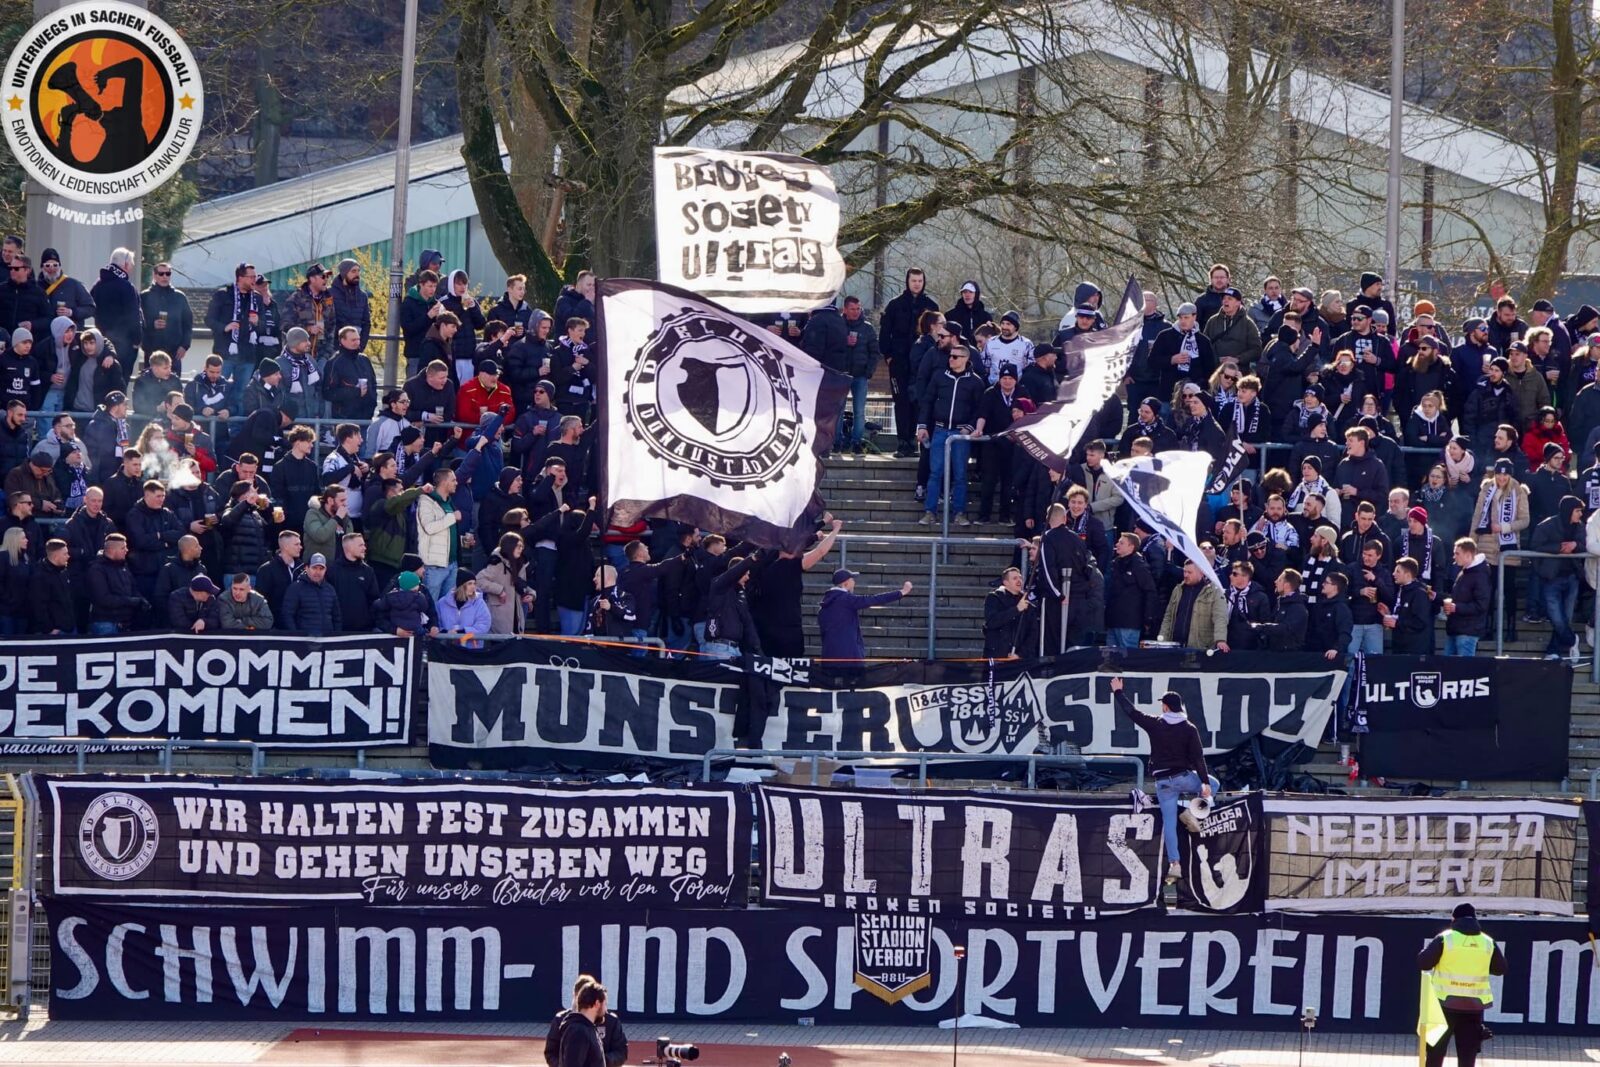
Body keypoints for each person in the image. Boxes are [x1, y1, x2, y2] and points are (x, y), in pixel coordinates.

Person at [1109, 675, 1218, 883]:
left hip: (1163, 783)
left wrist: (1118, 692)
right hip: (1183, 777)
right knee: (1214, 784)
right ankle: (1194, 813)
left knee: (1169, 823)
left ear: (1166, 707)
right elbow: (1198, 758)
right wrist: (1204, 783)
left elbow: (1132, 713)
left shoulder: (1156, 724)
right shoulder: (1189, 728)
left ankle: (1175, 864)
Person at [1418, 902, 1506, 1067]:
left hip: (1444, 1005)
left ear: (1454, 919)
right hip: (1474, 1007)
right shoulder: (1488, 942)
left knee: (1436, 1053)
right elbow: (1500, 969)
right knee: (1467, 1057)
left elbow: (1424, 963)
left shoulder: (1445, 938)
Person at [917, 342, 984, 525]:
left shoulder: (975, 382)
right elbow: (928, 401)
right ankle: (930, 512)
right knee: (935, 472)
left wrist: (969, 427)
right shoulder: (939, 376)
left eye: (955, 357)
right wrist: (922, 426)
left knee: (960, 474)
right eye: (950, 356)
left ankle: (959, 513)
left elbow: (979, 409)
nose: (951, 359)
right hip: (939, 430)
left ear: (965, 359)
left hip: (960, 433)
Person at [1529, 494, 1586, 662]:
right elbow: (1535, 546)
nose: (1580, 514)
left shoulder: (1580, 527)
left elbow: (1585, 545)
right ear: (1569, 511)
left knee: (1565, 617)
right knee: (1556, 616)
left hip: (1572, 577)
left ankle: (1553, 650)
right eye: (1577, 511)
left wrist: (1575, 545)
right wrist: (1558, 548)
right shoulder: (1547, 525)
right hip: (1551, 578)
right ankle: (1572, 640)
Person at [816, 569, 912, 660]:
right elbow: (874, 599)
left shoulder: (824, 605)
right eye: (852, 580)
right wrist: (901, 592)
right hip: (849, 658)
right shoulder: (847, 600)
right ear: (846, 583)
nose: (854, 582)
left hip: (828, 657)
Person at [89, 248, 141, 375]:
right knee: (121, 379)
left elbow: (90, 307)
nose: (132, 266)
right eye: (131, 263)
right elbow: (134, 316)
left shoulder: (97, 285)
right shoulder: (127, 287)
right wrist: (137, 340)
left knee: (103, 378)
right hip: (125, 343)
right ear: (126, 264)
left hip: (102, 341)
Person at [1159, 558, 1229, 651]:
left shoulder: (1214, 592)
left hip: (1200, 649)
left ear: (1201, 573)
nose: (1185, 575)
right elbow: (1168, 617)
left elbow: (1220, 617)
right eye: (1184, 571)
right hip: (1175, 647)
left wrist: (1220, 640)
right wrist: (1162, 640)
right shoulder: (1178, 590)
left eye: (1189, 572)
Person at [1104, 532, 1158, 649]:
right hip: (1113, 621)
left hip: (1129, 623)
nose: (1117, 544)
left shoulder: (1139, 565)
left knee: (1128, 656)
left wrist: (1148, 617)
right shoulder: (1115, 564)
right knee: (1109, 656)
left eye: (1121, 543)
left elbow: (1150, 591)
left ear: (1131, 547)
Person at [86, 534, 146, 635]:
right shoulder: (96, 570)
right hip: (105, 623)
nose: (126, 550)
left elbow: (133, 588)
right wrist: (131, 601)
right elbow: (103, 599)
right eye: (123, 548)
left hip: (125, 622)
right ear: (112, 550)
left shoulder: (123, 567)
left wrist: (141, 600)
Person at [1443, 538, 1491, 656]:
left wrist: (1456, 607)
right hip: (1456, 629)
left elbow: (1481, 605)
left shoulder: (1480, 576)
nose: (1454, 557)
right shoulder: (1465, 572)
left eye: (1457, 553)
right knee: (1448, 665)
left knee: (1464, 667)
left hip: (1468, 631)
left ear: (1468, 555)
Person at [141, 261, 192, 370]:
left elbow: (188, 324)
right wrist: (152, 324)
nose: (165, 276)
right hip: (152, 351)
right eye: (161, 274)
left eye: (168, 274)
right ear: (155, 275)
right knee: (151, 380)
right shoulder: (145, 296)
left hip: (174, 352)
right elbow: (138, 322)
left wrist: (185, 346)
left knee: (173, 380)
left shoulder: (179, 297)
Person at [552, 980, 611, 1067]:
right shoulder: (579, 1031)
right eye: (605, 1004)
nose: (606, 1010)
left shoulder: (586, 1029)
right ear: (597, 1003)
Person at [982, 566, 1036, 658]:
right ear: (1005, 582)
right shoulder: (994, 598)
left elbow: (1032, 634)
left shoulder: (1027, 603)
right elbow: (992, 621)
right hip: (996, 656)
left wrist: (1019, 654)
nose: (1019, 581)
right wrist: (1016, 609)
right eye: (1015, 578)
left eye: (1020, 578)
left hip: (1018, 658)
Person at [281, 553, 341, 635]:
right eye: (314, 568)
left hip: (327, 640)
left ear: (325, 570)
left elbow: (337, 618)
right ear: (307, 568)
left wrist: (335, 636)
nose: (318, 572)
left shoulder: (330, 589)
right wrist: (296, 636)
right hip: (304, 641)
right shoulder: (295, 588)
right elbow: (287, 615)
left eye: (321, 568)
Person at [28, 538, 74, 634]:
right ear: (56, 556)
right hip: (53, 631)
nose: (68, 556)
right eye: (65, 554)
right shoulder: (40, 576)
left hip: (68, 627)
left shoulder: (63, 572)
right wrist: (49, 629)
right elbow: (38, 605)